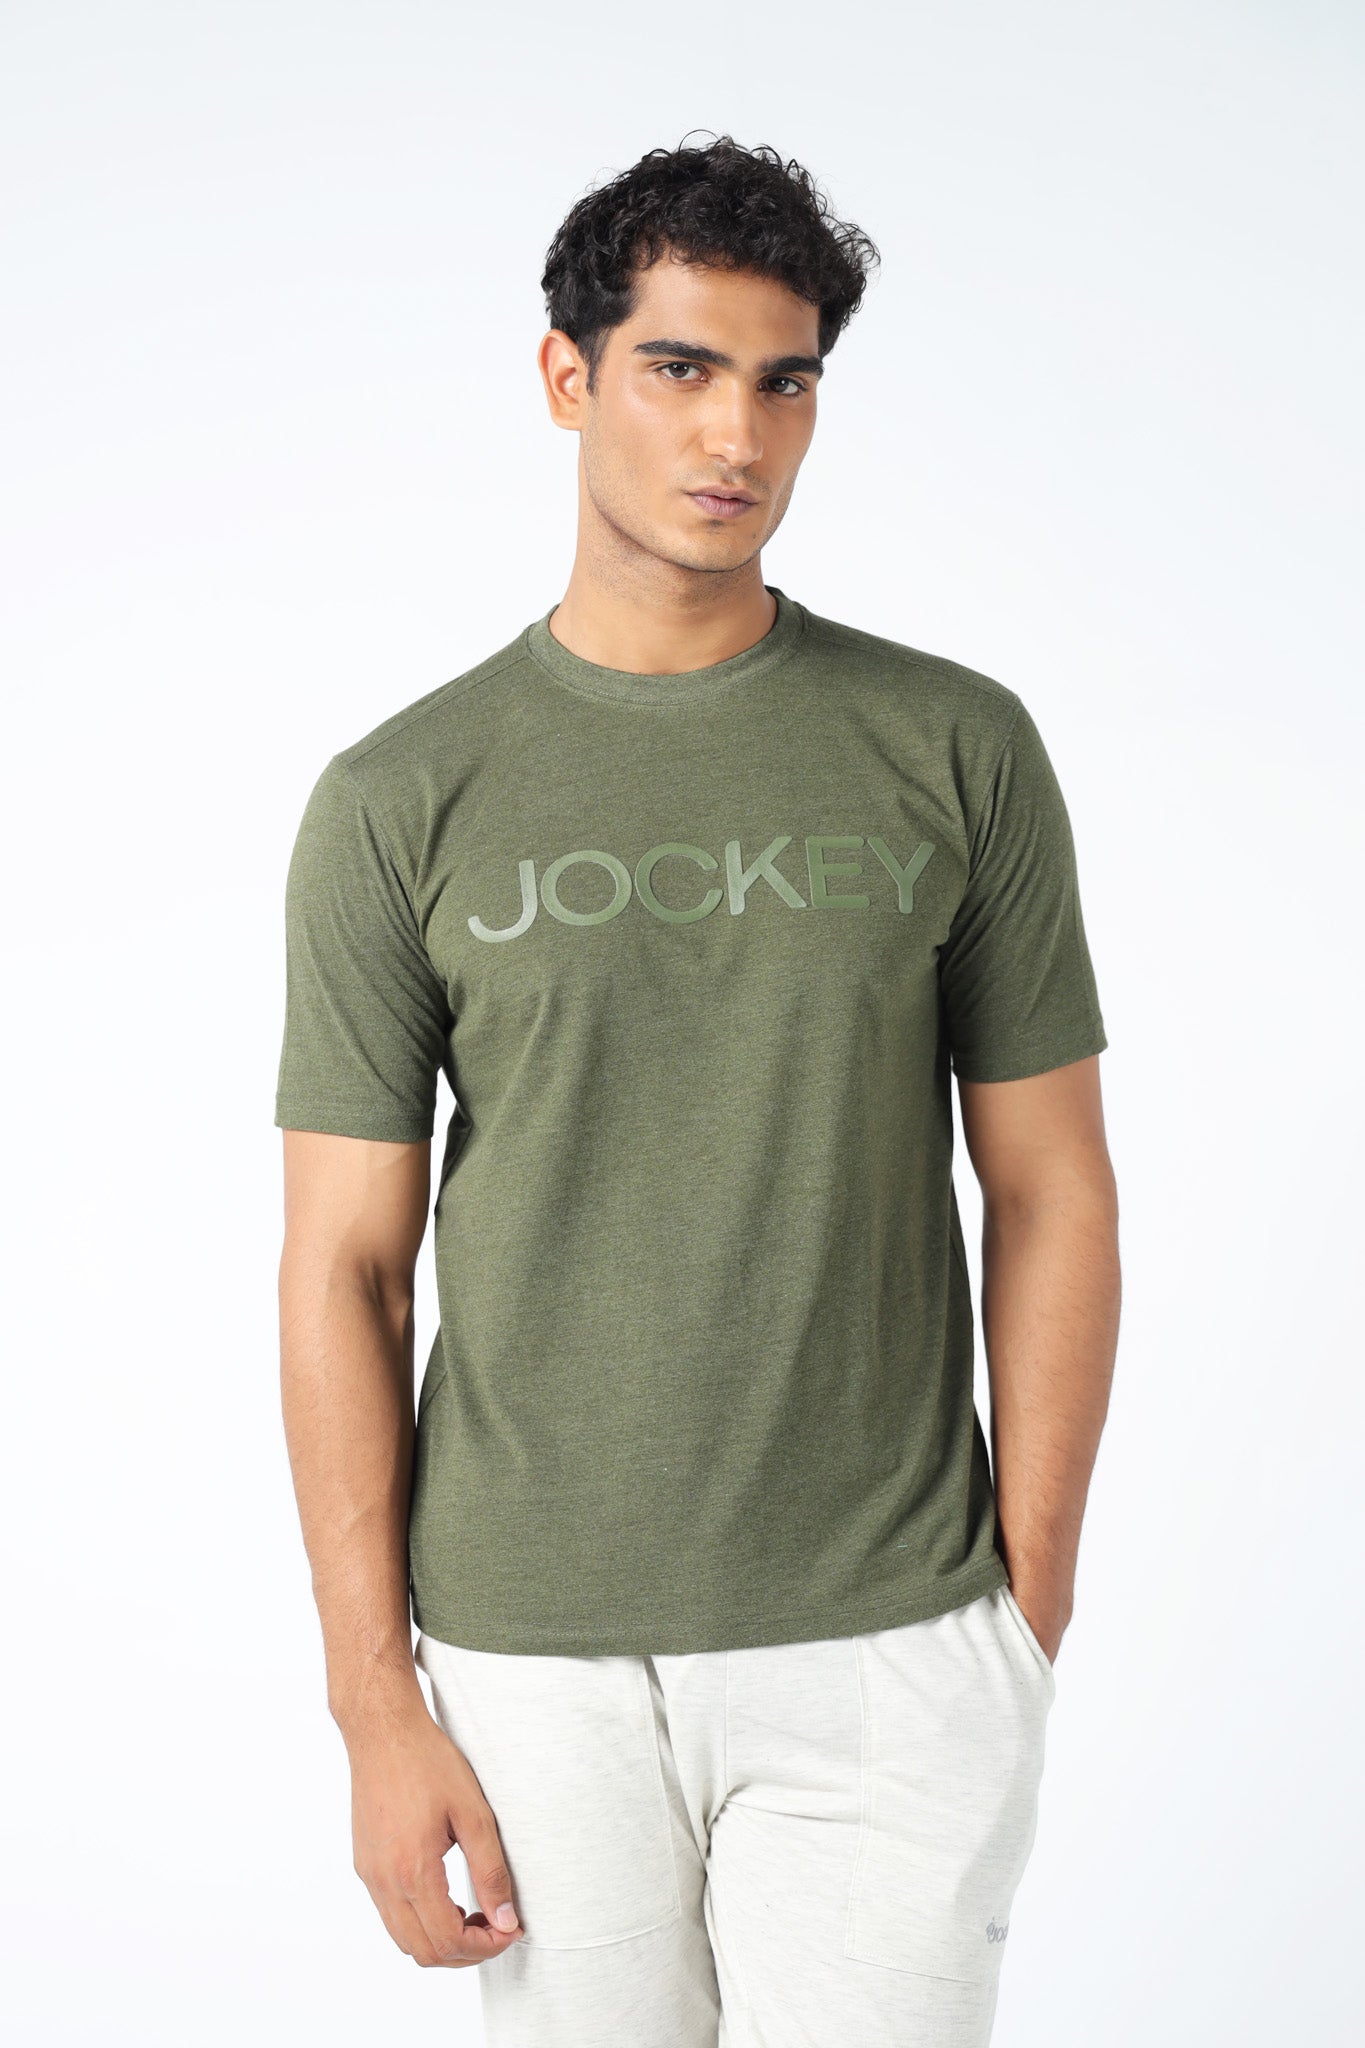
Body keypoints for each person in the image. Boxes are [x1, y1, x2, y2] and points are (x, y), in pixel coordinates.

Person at [274, 131, 1120, 2047]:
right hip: (529, 1650)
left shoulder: (952, 746)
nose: (735, 433)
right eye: (679, 367)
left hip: (890, 1630)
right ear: (566, 377)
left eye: (783, 379)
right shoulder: (401, 798)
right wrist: (372, 1699)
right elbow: (341, 1268)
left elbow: (1052, 1183)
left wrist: (1021, 1608)